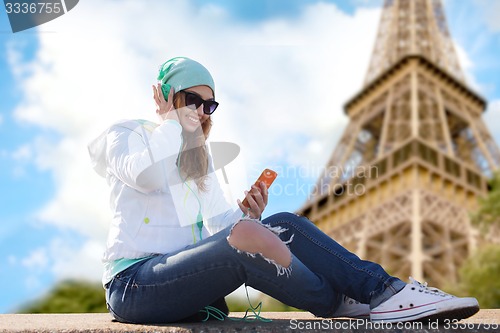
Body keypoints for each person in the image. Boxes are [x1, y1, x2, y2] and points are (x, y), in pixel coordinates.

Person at [88, 56, 479, 324]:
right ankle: (341, 299)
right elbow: (144, 175)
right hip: (133, 285)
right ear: (166, 95)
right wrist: (170, 121)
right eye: (193, 100)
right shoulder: (126, 134)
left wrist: (249, 217)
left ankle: (381, 290)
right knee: (246, 239)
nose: (202, 112)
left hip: (182, 280)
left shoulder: (198, 162)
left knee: (280, 223)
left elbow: (221, 228)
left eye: (210, 105)